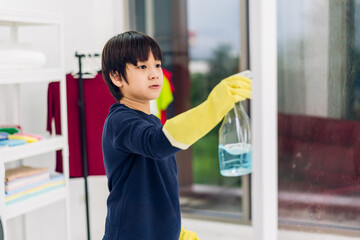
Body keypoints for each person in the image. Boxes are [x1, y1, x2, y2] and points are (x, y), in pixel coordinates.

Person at [101, 31, 251, 240]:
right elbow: (159, 143)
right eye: (142, 66)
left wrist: (173, 229)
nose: (154, 74)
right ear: (116, 77)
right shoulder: (119, 122)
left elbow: (160, 184)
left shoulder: (151, 122)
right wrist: (213, 106)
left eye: (158, 65)